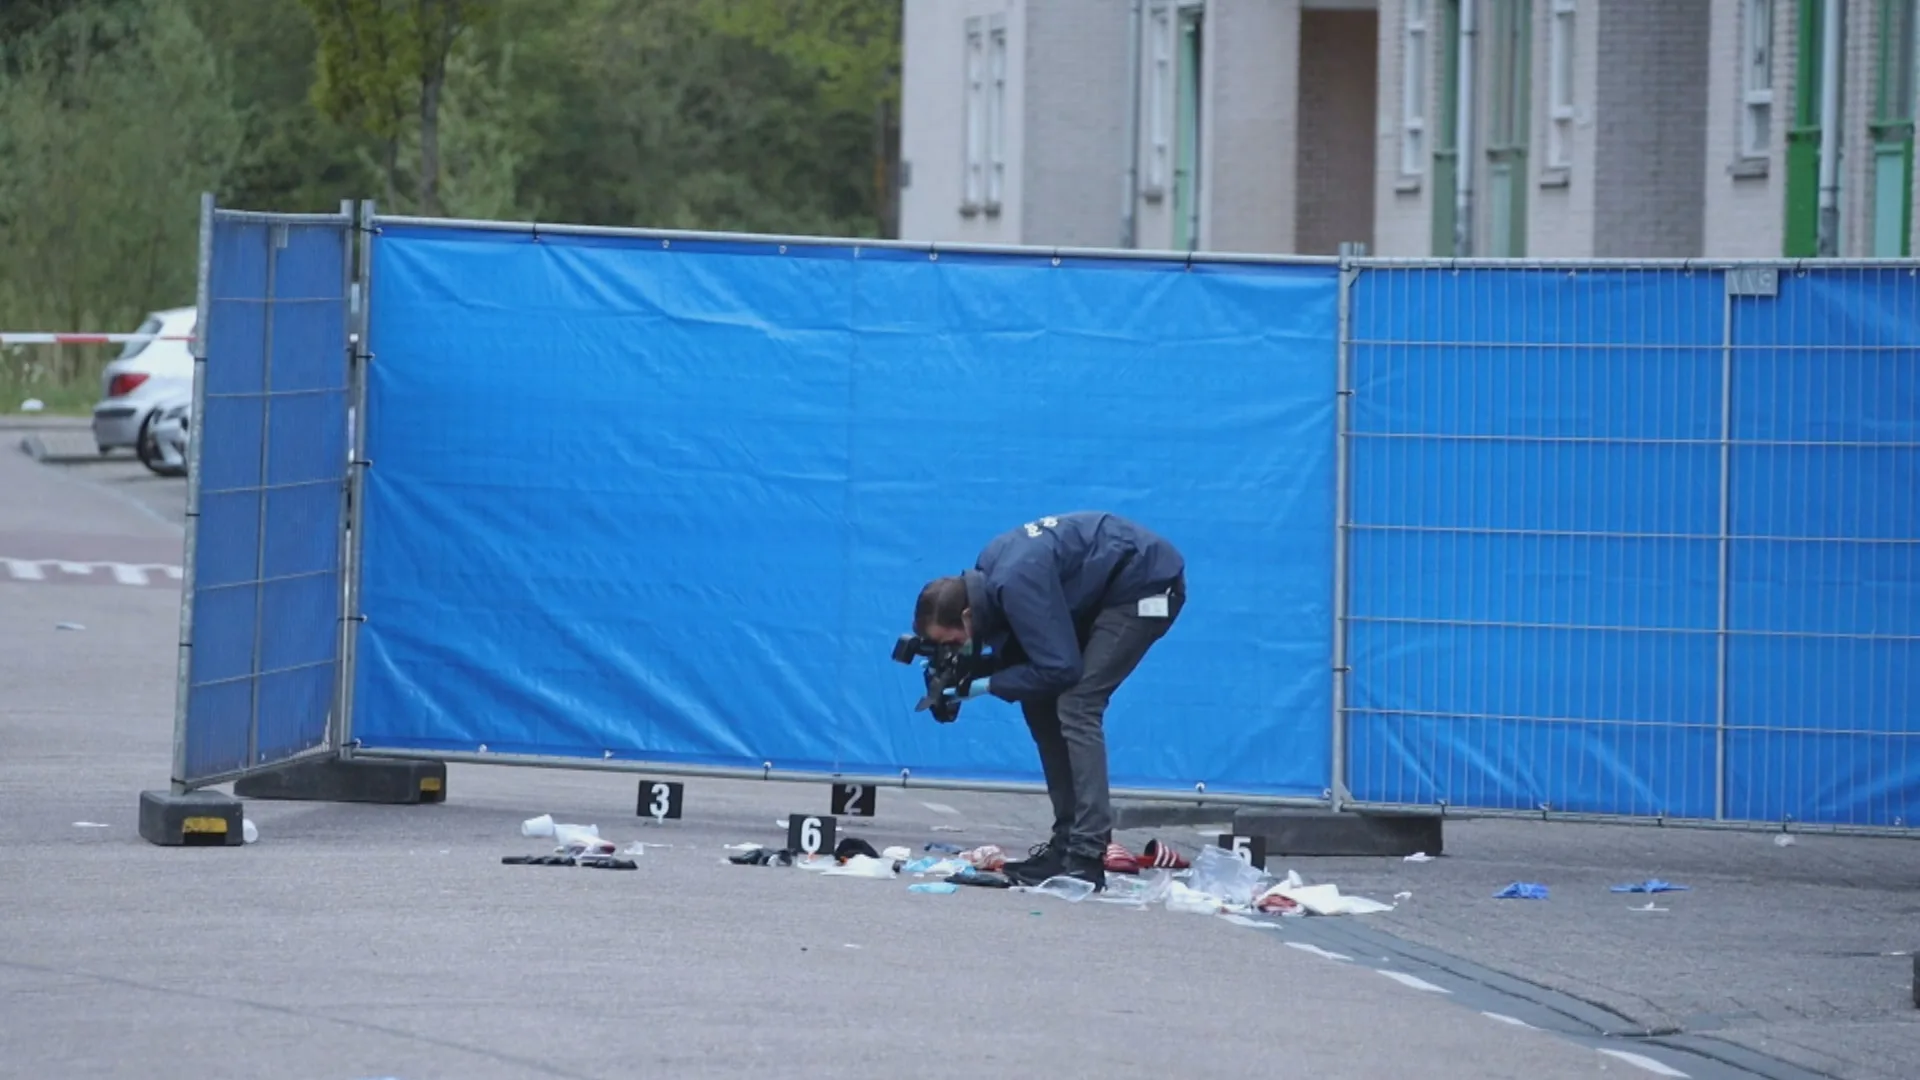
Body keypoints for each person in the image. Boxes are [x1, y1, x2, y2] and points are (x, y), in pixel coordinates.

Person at [911, 511, 1186, 889]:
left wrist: (985, 685)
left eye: (953, 642)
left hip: (1145, 585)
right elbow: (1030, 657)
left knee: (1077, 703)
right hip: (1101, 588)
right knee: (1038, 699)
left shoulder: (1014, 583)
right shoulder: (991, 577)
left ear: (967, 615)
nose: (956, 650)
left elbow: (1061, 669)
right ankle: (1065, 845)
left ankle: (1087, 853)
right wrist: (966, 674)